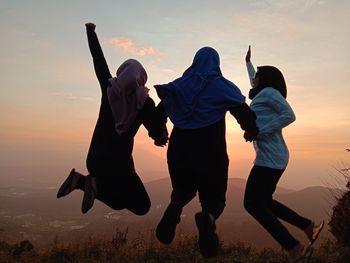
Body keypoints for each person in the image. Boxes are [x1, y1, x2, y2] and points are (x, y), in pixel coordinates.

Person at [154, 46, 258, 258]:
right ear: (216, 64)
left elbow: (157, 115)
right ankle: (208, 217)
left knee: (183, 190)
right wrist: (251, 131)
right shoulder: (220, 85)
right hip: (210, 151)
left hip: (179, 149)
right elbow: (244, 113)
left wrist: (159, 135)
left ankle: (175, 207)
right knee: (214, 197)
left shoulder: (180, 85)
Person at [57, 23, 168, 215]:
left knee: (118, 202)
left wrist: (90, 33)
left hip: (95, 160)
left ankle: (82, 181)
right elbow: (157, 128)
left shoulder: (109, 89)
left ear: (122, 73)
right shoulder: (143, 103)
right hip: (119, 166)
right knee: (142, 206)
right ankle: (83, 182)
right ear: (141, 79)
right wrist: (168, 100)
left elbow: (98, 60)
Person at [243, 46, 324, 263]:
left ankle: (294, 247)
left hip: (272, 157)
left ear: (266, 79)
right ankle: (308, 226)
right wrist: (248, 64)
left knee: (252, 203)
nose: (254, 79)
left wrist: (260, 131)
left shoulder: (269, 93)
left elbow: (289, 115)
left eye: (258, 75)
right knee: (264, 202)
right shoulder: (263, 91)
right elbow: (254, 80)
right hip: (270, 156)